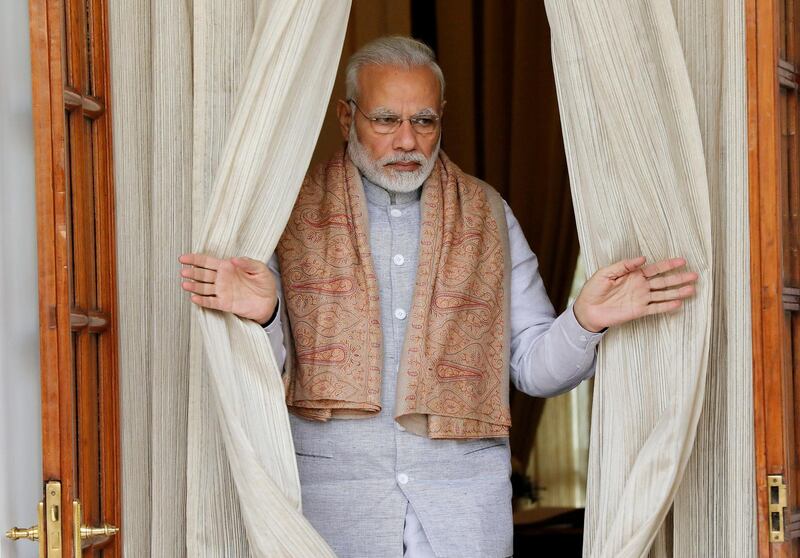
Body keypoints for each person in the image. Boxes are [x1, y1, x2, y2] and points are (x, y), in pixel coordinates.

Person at [179, 36, 698, 558]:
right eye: (385, 120)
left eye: (423, 121)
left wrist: (585, 320)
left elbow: (535, 369)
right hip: (332, 509)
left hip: (463, 513)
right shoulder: (288, 217)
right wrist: (265, 317)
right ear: (346, 117)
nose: (407, 141)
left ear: (441, 118)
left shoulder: (489, 214)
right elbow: (264, 377)